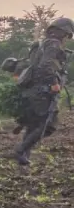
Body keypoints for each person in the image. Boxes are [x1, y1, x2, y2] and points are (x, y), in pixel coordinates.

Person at [13, 17, 73, 168]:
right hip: (43, 91)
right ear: (62, 32)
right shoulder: (53, 44)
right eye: (66, 34)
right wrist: (54, 83)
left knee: (34, 125)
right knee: (49, 124)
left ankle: (23, 156)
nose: (66, 37)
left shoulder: (42, 43)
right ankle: (20, 150)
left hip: (34, 90)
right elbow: (46, 65)